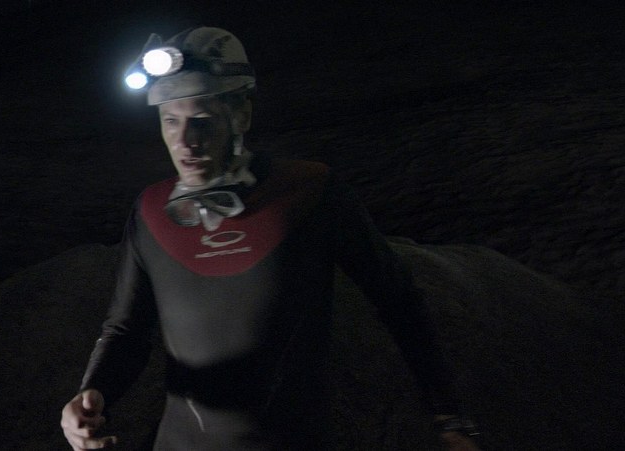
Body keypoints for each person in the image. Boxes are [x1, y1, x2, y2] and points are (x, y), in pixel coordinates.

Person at [61, 27, 481, 450]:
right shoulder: (152, 211)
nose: (185, 141)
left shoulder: (309, 194)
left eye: (202, 120)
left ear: (241, 115)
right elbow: (125, 329)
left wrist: (450, 419)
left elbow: (399, 301)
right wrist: (91, 395)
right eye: (170, 121)